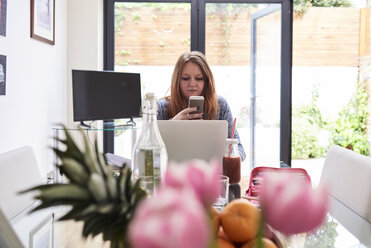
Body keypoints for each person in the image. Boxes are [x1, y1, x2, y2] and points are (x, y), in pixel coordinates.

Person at [157, 51, 246, 161]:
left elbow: (240, 150)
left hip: (213, 175)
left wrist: (229, 158)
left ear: (207, 81)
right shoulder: (161, 107)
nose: (192, 84)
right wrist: (173, 125)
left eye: (199, 78)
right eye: (185, 78)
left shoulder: (220, 105)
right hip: (174, 174)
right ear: (177, 81)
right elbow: (152, 155)